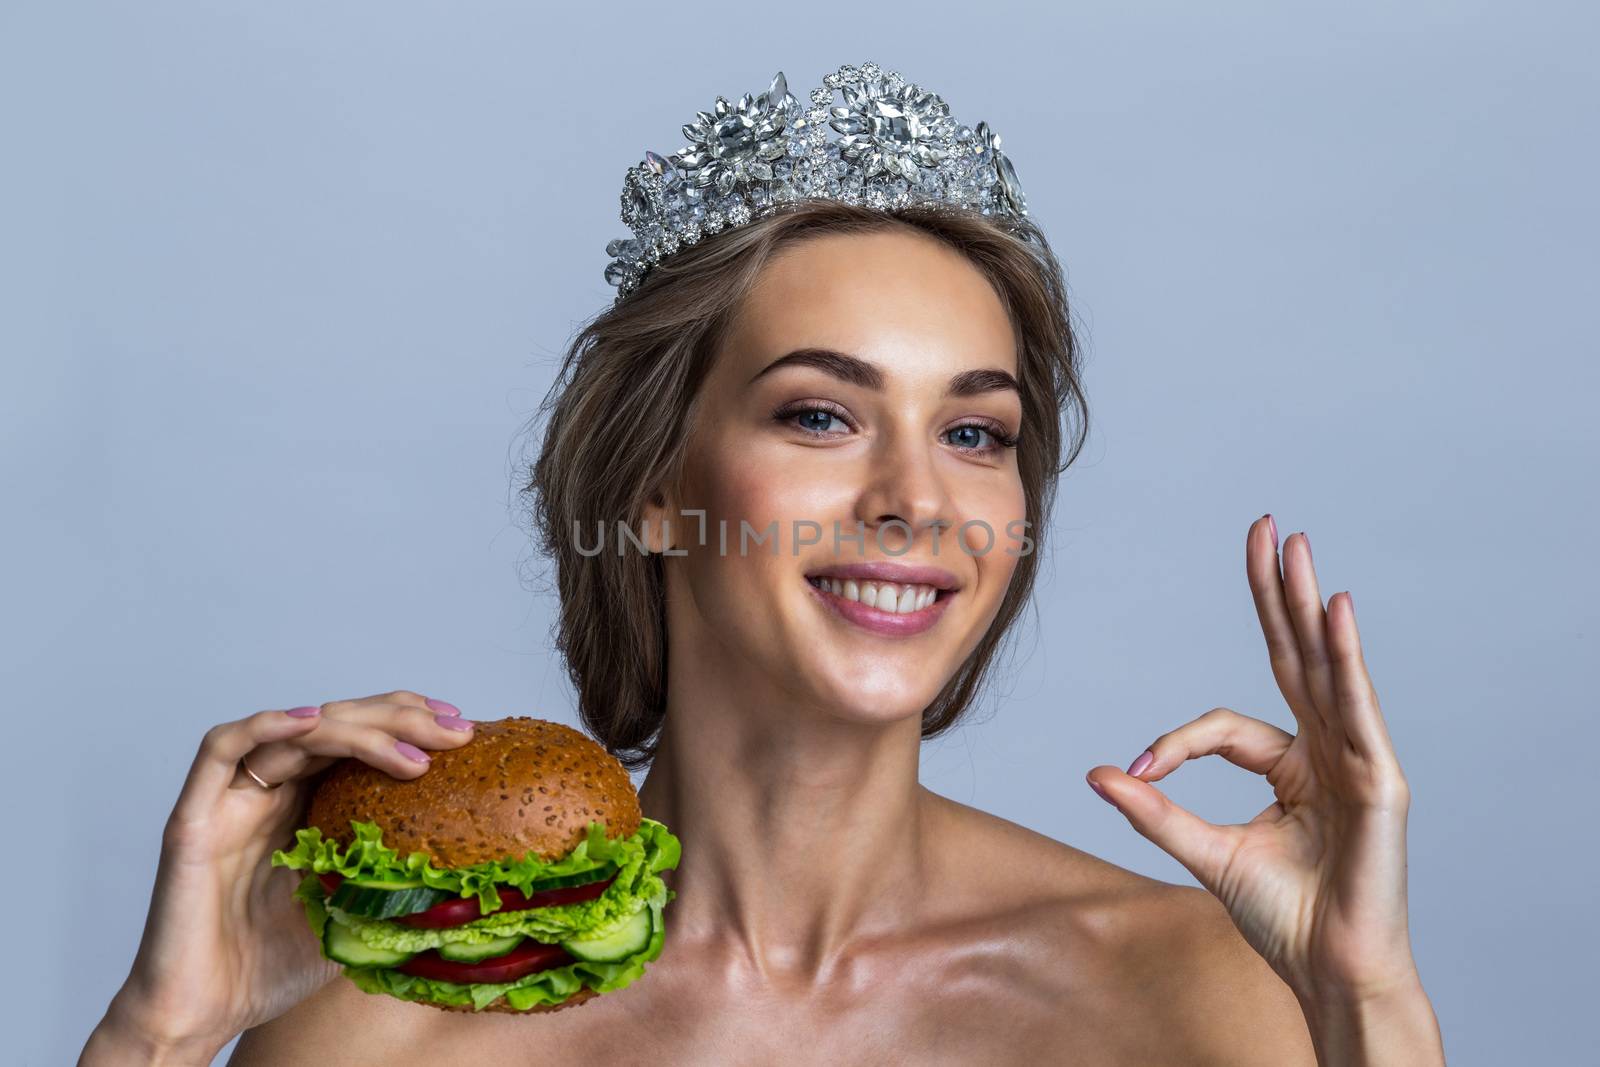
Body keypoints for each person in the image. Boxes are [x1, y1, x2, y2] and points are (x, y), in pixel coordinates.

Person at [80, 63, 1445, 1065]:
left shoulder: (1209, 989)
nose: (916, 501)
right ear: (657, 487)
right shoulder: (394, 1011)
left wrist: (1368, 1001)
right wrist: (160, 1033)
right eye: (820, 415)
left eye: (976, 432)